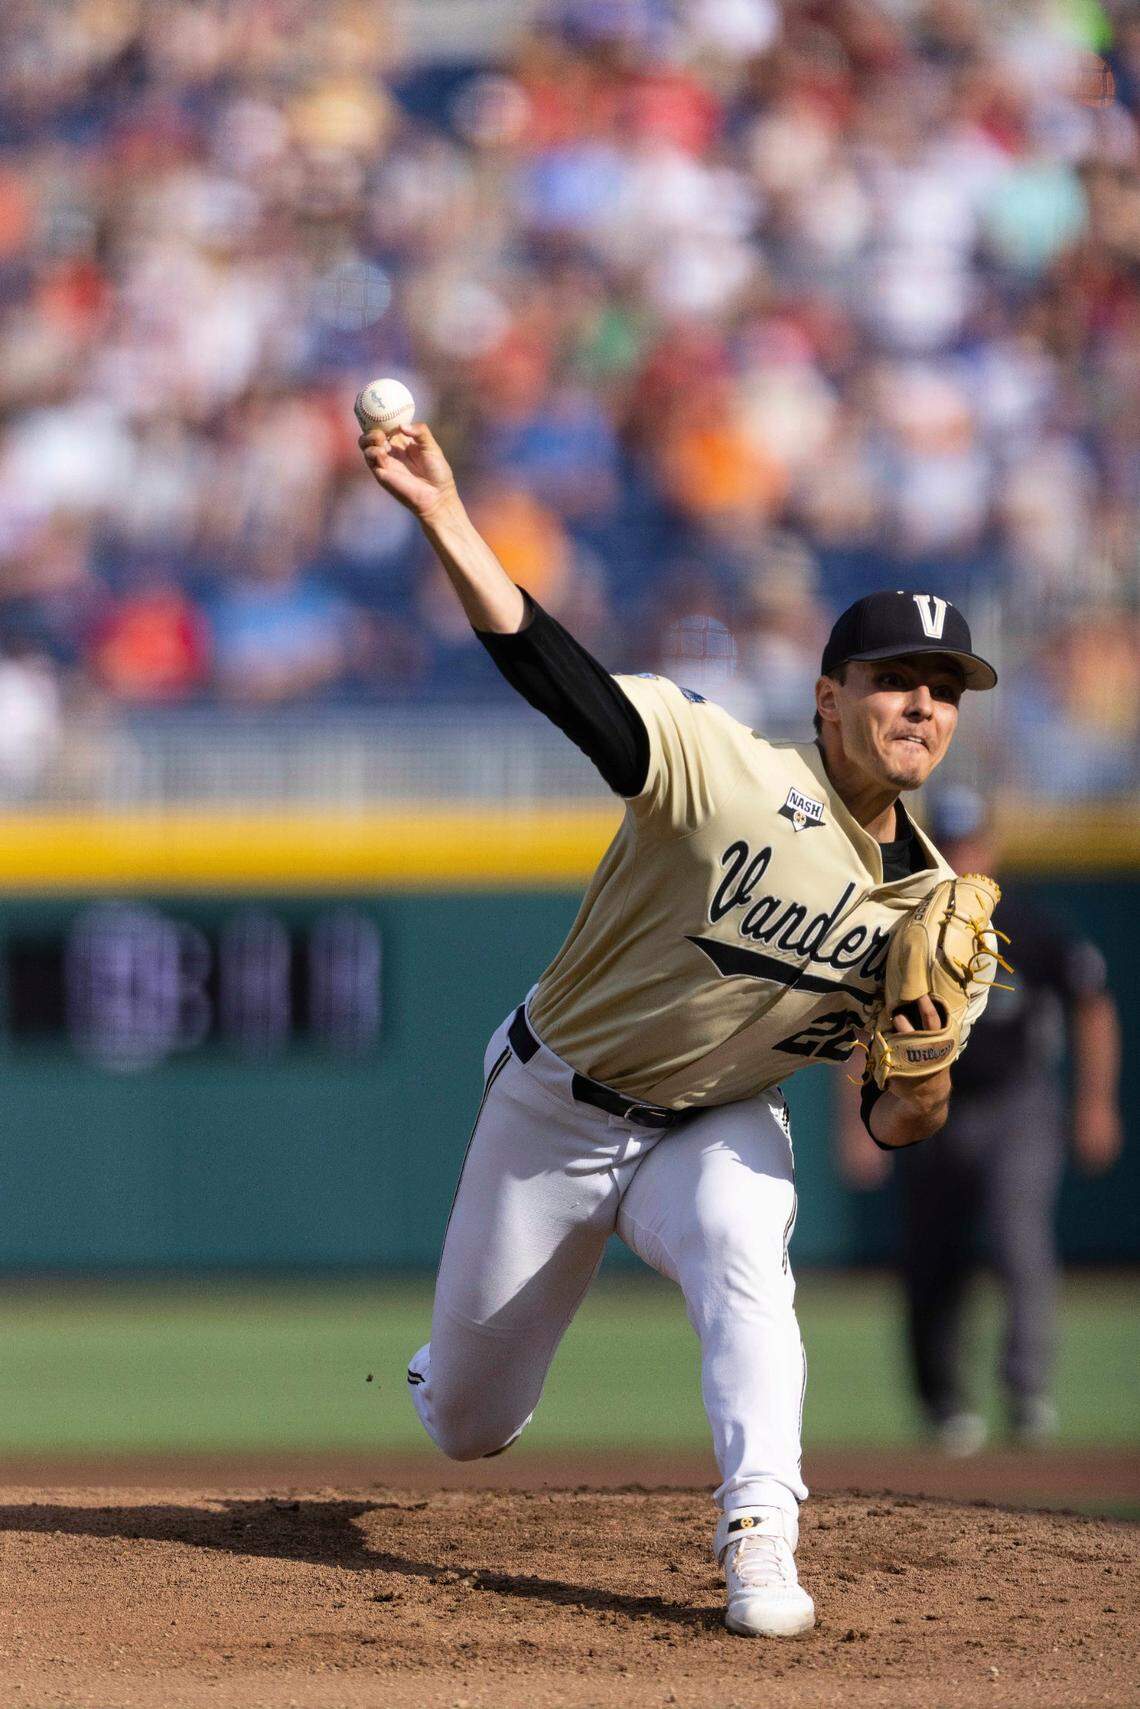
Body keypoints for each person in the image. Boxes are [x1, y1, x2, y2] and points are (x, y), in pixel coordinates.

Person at [359, 418, 998, 1639]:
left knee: (745, 1239)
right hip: (555, 1106)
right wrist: (447, 516)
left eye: (946, 689)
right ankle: (452, 1366)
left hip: (715, 1116)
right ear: (829, 696)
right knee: (468, 1425)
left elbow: (895, 1113)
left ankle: (761, 1530)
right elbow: (559, 677)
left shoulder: (938, 917)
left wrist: (921, 1077)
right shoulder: (725, 765)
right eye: (897, 680)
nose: (923, 703)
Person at [841, 785, 1122, 1454]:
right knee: (931, 1257)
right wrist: (859, 1121)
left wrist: (1095, 1101)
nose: (964, 855)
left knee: (1018, 1238)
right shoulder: (902, 924)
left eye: (972, 843)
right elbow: (857, 1025)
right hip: (925, 1108)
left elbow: (1093, 1005)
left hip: (1017, 1103)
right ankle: (944, 1404)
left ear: (990, 847)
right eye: (952, 842)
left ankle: (1027, 1393)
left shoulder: (1029, 919)